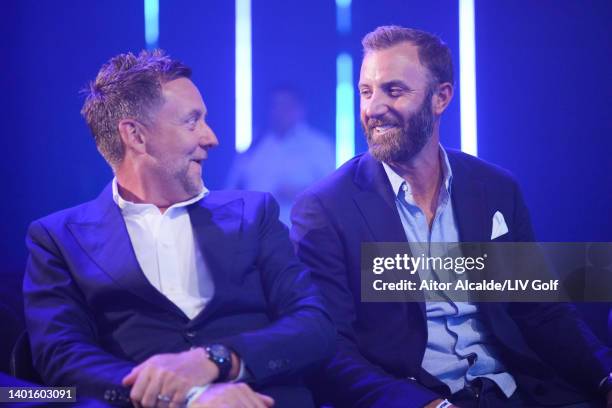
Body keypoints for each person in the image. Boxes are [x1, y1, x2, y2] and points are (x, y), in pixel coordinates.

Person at [290, 26, 612, 408]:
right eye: (366, 91)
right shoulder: (325, 208)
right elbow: (332, 349)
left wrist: (605, 378)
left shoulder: (495, 188)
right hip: (414, 396)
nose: (373, 108)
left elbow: (541, 310)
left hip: (517, 391)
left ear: (441, 97)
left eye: (393, 91)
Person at [23, 50, 335, 408]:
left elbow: (315, 325)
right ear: (136, 136)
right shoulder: (58, 239)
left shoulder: (254, 213)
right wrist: (188, 395)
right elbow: (62, 358)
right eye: (192, 121)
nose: (211, 137)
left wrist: (218, 361)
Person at [225, 85, 335, 226]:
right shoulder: (257, 145)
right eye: (275, 105)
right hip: (256, 234)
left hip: (300, 236)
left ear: (300, 109)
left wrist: (301, 193)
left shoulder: (319, 145)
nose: (280, 111)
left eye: (286, 106)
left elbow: (332, 192)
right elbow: (232, 186)